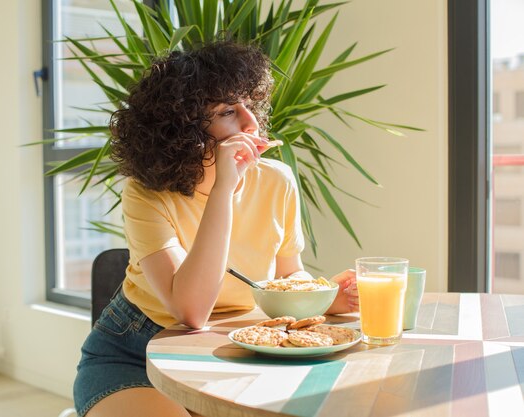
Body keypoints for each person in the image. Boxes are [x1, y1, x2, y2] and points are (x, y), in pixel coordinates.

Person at [73, 40, 359, 417]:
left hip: (237, 350)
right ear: (183, 126)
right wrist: (223, 189)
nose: (251, 122)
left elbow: (289, 273)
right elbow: (190, 311)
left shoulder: (277, 180)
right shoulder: (146, 194)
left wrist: (320, 298)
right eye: (227, 111)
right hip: (134, 354)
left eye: (249, 105)